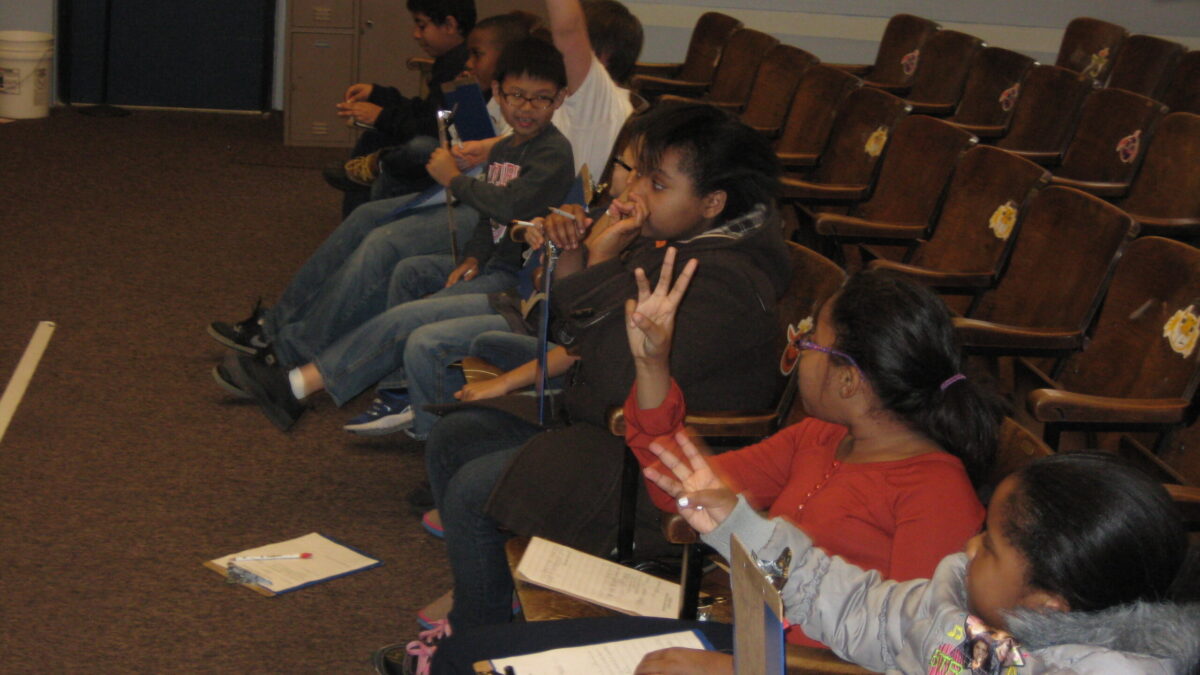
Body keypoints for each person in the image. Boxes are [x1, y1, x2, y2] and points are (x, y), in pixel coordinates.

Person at [420, 268, 1003, 674]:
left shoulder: (936, 494)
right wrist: (652, 363)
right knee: (472, 656)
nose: (799, 350)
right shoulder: (823, 437)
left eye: (811, 342)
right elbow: (682, 486)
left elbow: (926, 660)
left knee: (471, 662)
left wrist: (730, 668)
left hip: (793, 666)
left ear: (850, 379)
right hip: (749, 646)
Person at [377, 102, 791, 675]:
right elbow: (578, 338)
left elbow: (625, 375)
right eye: (641, 174)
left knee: (475, 490)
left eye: (658, 182)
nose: (638, 190)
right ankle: (492, 610)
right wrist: (577, 255)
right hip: (609, 428)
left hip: (662, 470)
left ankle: (477, 645)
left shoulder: (721, 278)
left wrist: (598, 259)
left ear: (712, 203)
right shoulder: (679, 241)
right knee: (457, 435)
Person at [207, 0, 642, 376]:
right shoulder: (578, 106)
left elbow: (568, 30)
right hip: (501, 196)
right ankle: (278, 324)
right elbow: (546, 138)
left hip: (514, 215)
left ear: (597, 56)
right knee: (368, 218)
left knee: (385, 243)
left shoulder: (598, 96)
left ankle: (288, 349)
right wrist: (487, 148)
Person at [216, 38, 575, 431]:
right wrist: (472, 257)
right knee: (408, 271)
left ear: (559, 100)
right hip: (491, 264)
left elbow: (510, 207)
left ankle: (298, 386)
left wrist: (453, 180)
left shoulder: (552, 153)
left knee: (411, 316)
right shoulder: (506, 147)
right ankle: (398, 391)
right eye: (516, 96)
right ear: (497, 93)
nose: (526, 108)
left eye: (540, 99)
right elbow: (490, 223)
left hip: (514, 284)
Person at [640, 448, 1198, 674]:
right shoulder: (960, 608)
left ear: (1045, 605)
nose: (970, 546)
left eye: (990, 546)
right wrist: (741, 529)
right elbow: (853, 605)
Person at [344, 127, 641, 439]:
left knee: (423, 336)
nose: (634, 181)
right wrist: (550, 241)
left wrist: (503, 383)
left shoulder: (637, 240)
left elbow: (574, 336)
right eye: (628, 167)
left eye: (647, 175)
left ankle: (321, 381)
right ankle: (402, 395)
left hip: (543, 331)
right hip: (528, 308)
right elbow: (543, 280)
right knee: (409, 279)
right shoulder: (596, 213)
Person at [325, 0, 476, 215]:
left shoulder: (462, 68)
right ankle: (365, 179)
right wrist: (378, 95)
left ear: (450, 25)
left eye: (422, 26)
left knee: (415, 146)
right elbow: (426, 111)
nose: (415, 34)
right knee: (375, 138)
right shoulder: (449, 61)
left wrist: (382, 116)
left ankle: (375, 170)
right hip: (439, 138)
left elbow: (436, 129)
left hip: (453, 153)